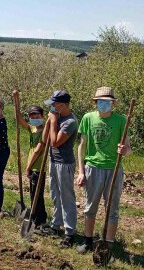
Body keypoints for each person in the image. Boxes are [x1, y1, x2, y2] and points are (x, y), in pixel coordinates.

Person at [76, 87, 132, 255]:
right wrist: (81, 171)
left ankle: (108, 246)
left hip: (114, 169)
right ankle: (88, 241)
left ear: (113, 103)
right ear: (96, 103)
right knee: (89, 207)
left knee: (112, 209)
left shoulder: (121, 120)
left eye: (107, 102)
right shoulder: (88, 118)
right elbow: (82, 146)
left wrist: (124, 151)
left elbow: (129, 150)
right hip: (92, 168)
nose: (103, 105)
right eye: (100, 102)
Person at [39, 90, 78, 248]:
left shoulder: (70, 122)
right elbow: (45, 139)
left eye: (55, 104)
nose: (52, 107)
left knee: (66, 198)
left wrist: (53, 120)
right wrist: (49, 122)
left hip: (65, 163)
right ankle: (56, 225)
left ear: (63, 105)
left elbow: (55, 142)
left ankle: (70, 232)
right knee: (55, 195)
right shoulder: (57, 118)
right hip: (53, 161)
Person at [14, 100, 48, 228]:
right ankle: (38, 217)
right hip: (32, 166)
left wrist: (28, 167)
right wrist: (16, 104)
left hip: (38, 167)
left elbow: (38, 150)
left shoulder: (44, 131)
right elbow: (20, 121)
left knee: (37, 196)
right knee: (34, 194)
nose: (34, 119)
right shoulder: (33, 129)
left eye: (37, 117)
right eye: (32, 117)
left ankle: (39, 220)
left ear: (42, 116)